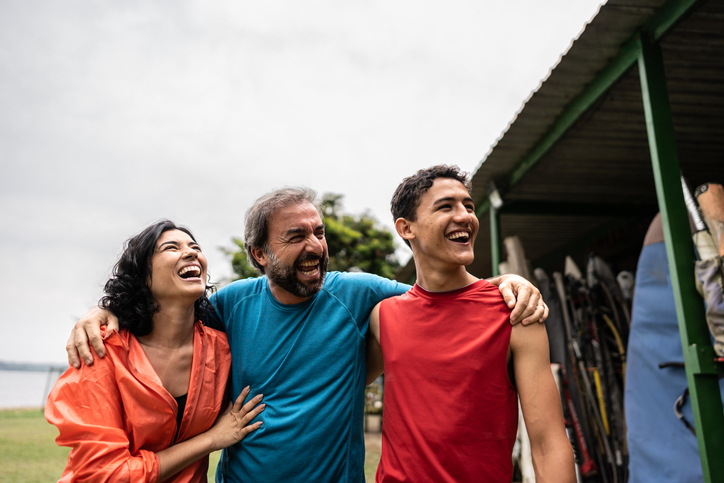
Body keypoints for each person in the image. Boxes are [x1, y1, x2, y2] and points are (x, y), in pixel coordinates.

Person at [65, 189, 549, 483]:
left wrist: (506, 284)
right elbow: (163, 312)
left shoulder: (358, 292)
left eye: (318, 232)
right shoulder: (231, 305)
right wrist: (104, 310)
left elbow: (442, 297)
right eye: (295, 237)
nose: (315, 245)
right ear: (259, 254)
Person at [366, 165, 575, 482]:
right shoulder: (383, 317)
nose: (465, 216)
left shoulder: (514, 314)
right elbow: (335, 386)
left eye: (469, 206)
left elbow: (548, 444)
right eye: (446, 206)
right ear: (406, 228)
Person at [46, 220, 265, 482]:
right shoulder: (104, 351)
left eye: (195, 246)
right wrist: (211, 439)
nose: (191, 252)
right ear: (142, 277)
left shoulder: (222, 350)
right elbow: (106, 475)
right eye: (171, 248)